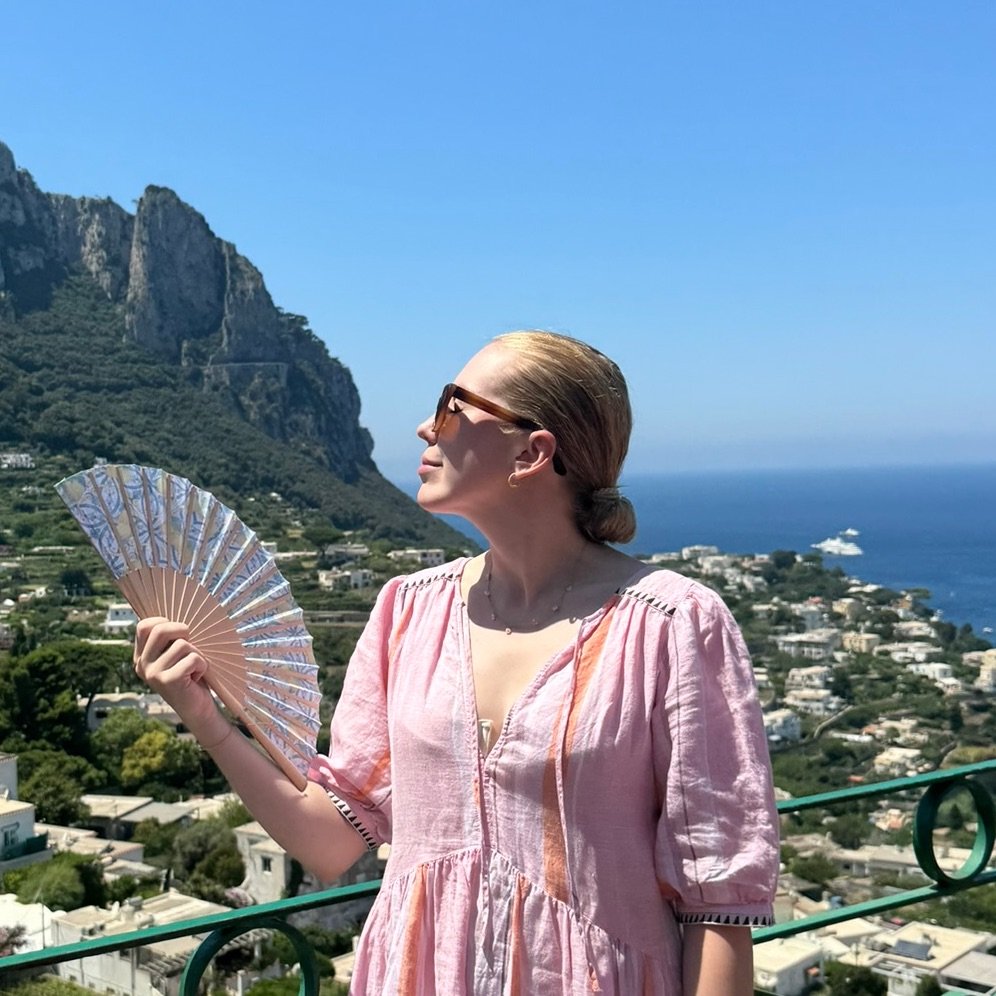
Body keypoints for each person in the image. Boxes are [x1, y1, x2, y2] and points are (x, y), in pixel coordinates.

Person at [134, 330, 780, 995]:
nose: (424, 427)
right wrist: (204, 716)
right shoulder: (407, 611)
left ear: (532, 452)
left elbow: (718, 907)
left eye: (451, 406)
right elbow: (329, 840)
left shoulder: (671, 625)